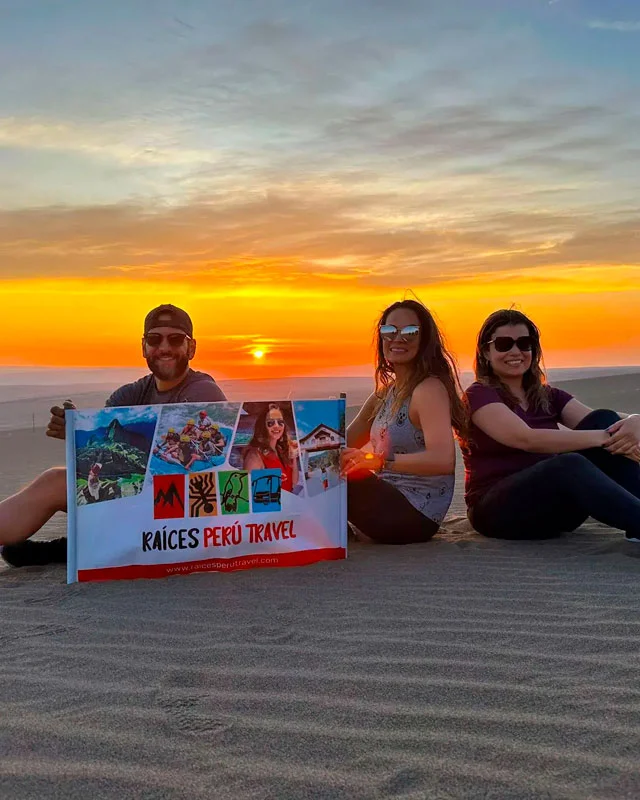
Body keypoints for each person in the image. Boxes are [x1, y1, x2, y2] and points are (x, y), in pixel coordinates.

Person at [0, 304, 227, 567]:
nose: (164, 347)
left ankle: (72, 547)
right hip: (140, 506)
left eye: (175, 339)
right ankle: (76, 546)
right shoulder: (130, 394)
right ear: (144, 347)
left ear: (191, 348)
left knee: (56, 482)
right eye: (155, 339)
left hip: (186, 512)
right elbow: (107, 443)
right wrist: (75, 431)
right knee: (62, 480)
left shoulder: (203, 393)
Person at [462, 308, 640, 541]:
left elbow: (600, 420)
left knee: (603, 418)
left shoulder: (546, 395)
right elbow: (525, 439)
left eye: (524, 343)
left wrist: (634, 421)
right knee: (570, 463)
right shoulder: (478, 395)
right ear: (486, 352)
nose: (515, 351)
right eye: (504, 344)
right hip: (497, 511)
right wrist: (607, 437)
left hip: (553, 507)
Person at [341, 299, 466, 544]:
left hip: (416, 514)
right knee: (318, 465)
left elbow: (443, 460)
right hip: (386, 498)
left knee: (333, 475)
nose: (398, 338)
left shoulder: (428, 389)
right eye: (389, 331)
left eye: (410, 332)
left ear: (424, 340)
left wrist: (378, 461)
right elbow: (342, 441)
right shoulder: (385, 394)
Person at [243, 403, 300, 493]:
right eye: (271, 422)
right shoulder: (255, 456)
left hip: (289, 499)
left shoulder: (281, 450)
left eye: (280, 422)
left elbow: (294, 483)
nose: (276, 425)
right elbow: (249, 492)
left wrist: (294, 458)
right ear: (263, 426)